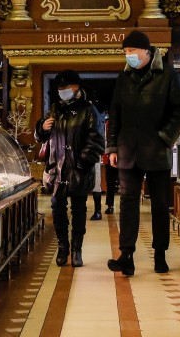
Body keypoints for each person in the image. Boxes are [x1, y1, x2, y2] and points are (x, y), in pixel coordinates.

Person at [105, 30, 180, 276]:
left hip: (156, 150)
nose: (128, 56)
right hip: (127, 150)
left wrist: (165, 137)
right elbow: (115, 114)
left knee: (160, 206)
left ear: (146, 51)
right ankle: (126, 256)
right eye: (125, 52)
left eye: (131, 51)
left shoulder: (168, 76)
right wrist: (112, 147)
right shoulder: (124, 78)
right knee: (128, 203)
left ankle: (160, 255)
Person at [35, 70, 105, 267]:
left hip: (78, 169)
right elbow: (41, 137)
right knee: (57, 208)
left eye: (65, 88)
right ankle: (62, 247)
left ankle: (76, 250)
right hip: (57, 169)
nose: (62, 92)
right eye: (59, 89)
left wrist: (82, 163)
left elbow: (96, 141)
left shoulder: (89, 110)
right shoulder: (55, 109)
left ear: (76, 88)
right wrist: (42, 128)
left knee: (79, 210)